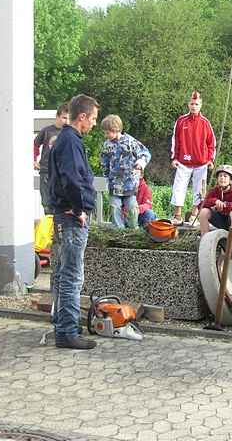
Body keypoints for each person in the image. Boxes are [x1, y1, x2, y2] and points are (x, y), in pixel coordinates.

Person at [48, 94, 100, 350]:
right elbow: (71, 178)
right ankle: (67, 332)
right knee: (71, 275)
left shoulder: (66, 140)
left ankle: (63, 323)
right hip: (70, 217)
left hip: (63, 214)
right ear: (82, 117)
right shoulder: (70, 142)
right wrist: (79, 208)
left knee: (61, 272)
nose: (93, 124)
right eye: (92, 119)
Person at [170, 90, 216, 226]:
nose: (193, 106)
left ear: (200, 105)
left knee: (199, 189)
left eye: (196, 104)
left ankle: (194, 214)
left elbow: (211, 143)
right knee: (179, 187)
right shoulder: (181, 121)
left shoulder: (205, 123)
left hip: (201, 163)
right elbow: (175, 140)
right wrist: (174, 158)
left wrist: (210, 160)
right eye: (191, 103)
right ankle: (177, 215)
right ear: (188, 105)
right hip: (183, 162)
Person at [100, 114, 151, 229]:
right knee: (115, 207)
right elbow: (104, 162)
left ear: (115, 129)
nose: (105, 135)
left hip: (129, 184)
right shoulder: (107, 145)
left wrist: (140, 163)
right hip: (114, 184)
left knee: (132, 208)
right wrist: (107, 176)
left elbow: (145, 153)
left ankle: (133, 230)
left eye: (107, 132)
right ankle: (119, 232)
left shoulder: (130, 142)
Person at [33, 103, 69, 214]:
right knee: (47, 201)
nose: (66, 121)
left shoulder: (69, 133)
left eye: (69, 118)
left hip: (61, 172)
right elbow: (35, 145)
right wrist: (34, 160)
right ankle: (48, 225)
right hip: (46, 170)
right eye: (64, 118)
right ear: (57, 116)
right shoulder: (46, 131)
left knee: (60, 201)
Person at [198, 164, 232, 235]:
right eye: (220, 176)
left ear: (231, 180)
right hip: (221, 221)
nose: (222, 178)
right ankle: (205, 238)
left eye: (225, 176)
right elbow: (200, 205)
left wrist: (226, 205)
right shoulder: (214, 190)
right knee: (203, 212)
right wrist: (214, 201)